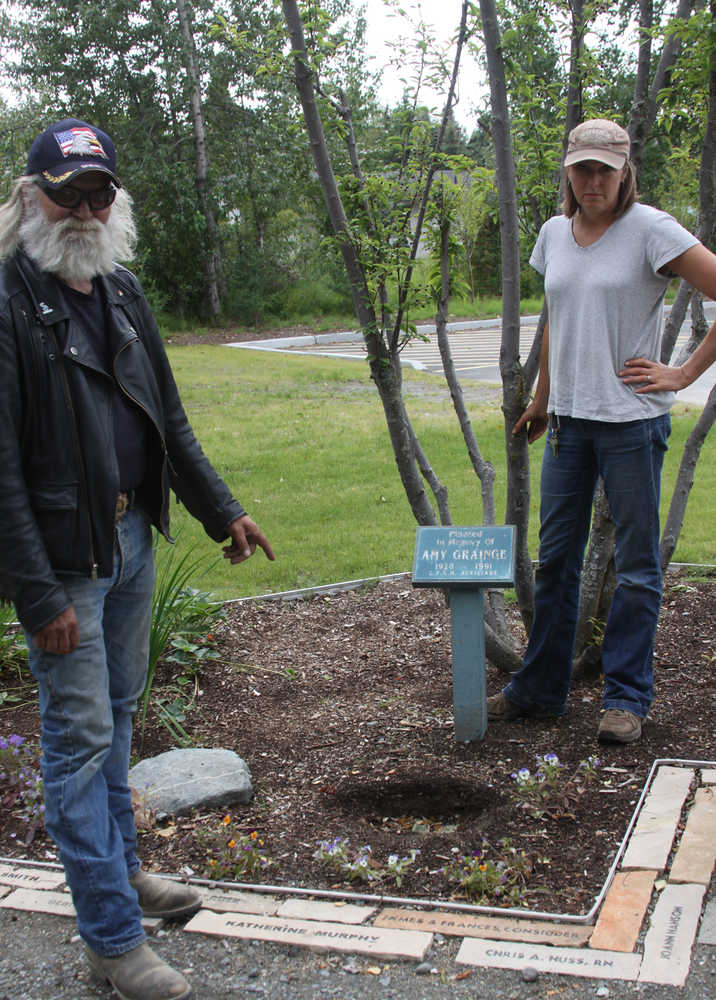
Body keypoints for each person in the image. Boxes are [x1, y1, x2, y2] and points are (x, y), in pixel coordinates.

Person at [0, 119, 275, 1000]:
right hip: (64, 558)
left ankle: (115, 881)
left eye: (97, 193)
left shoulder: (121, 292)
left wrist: (220, 507)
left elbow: (169, 420)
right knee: (80, 745)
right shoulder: (7, 300)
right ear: (29, 195)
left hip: (127, 538)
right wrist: (38, 595)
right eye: (65, 191)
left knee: (116, 723)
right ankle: (112, 939)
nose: (82, 208)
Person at [487, 118, 716, 745]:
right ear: (568, 171)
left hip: (632, 427)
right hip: (568, 426)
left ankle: (625, 699)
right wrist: (541, 400)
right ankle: (539, 691)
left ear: (624, 173)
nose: (592, 181)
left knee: (637, 567)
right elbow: (560, 317)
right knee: (556, 562)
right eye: (581, 169)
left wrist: (683, 373)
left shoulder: (651, 230)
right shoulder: (554, 233)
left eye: (604, 171)